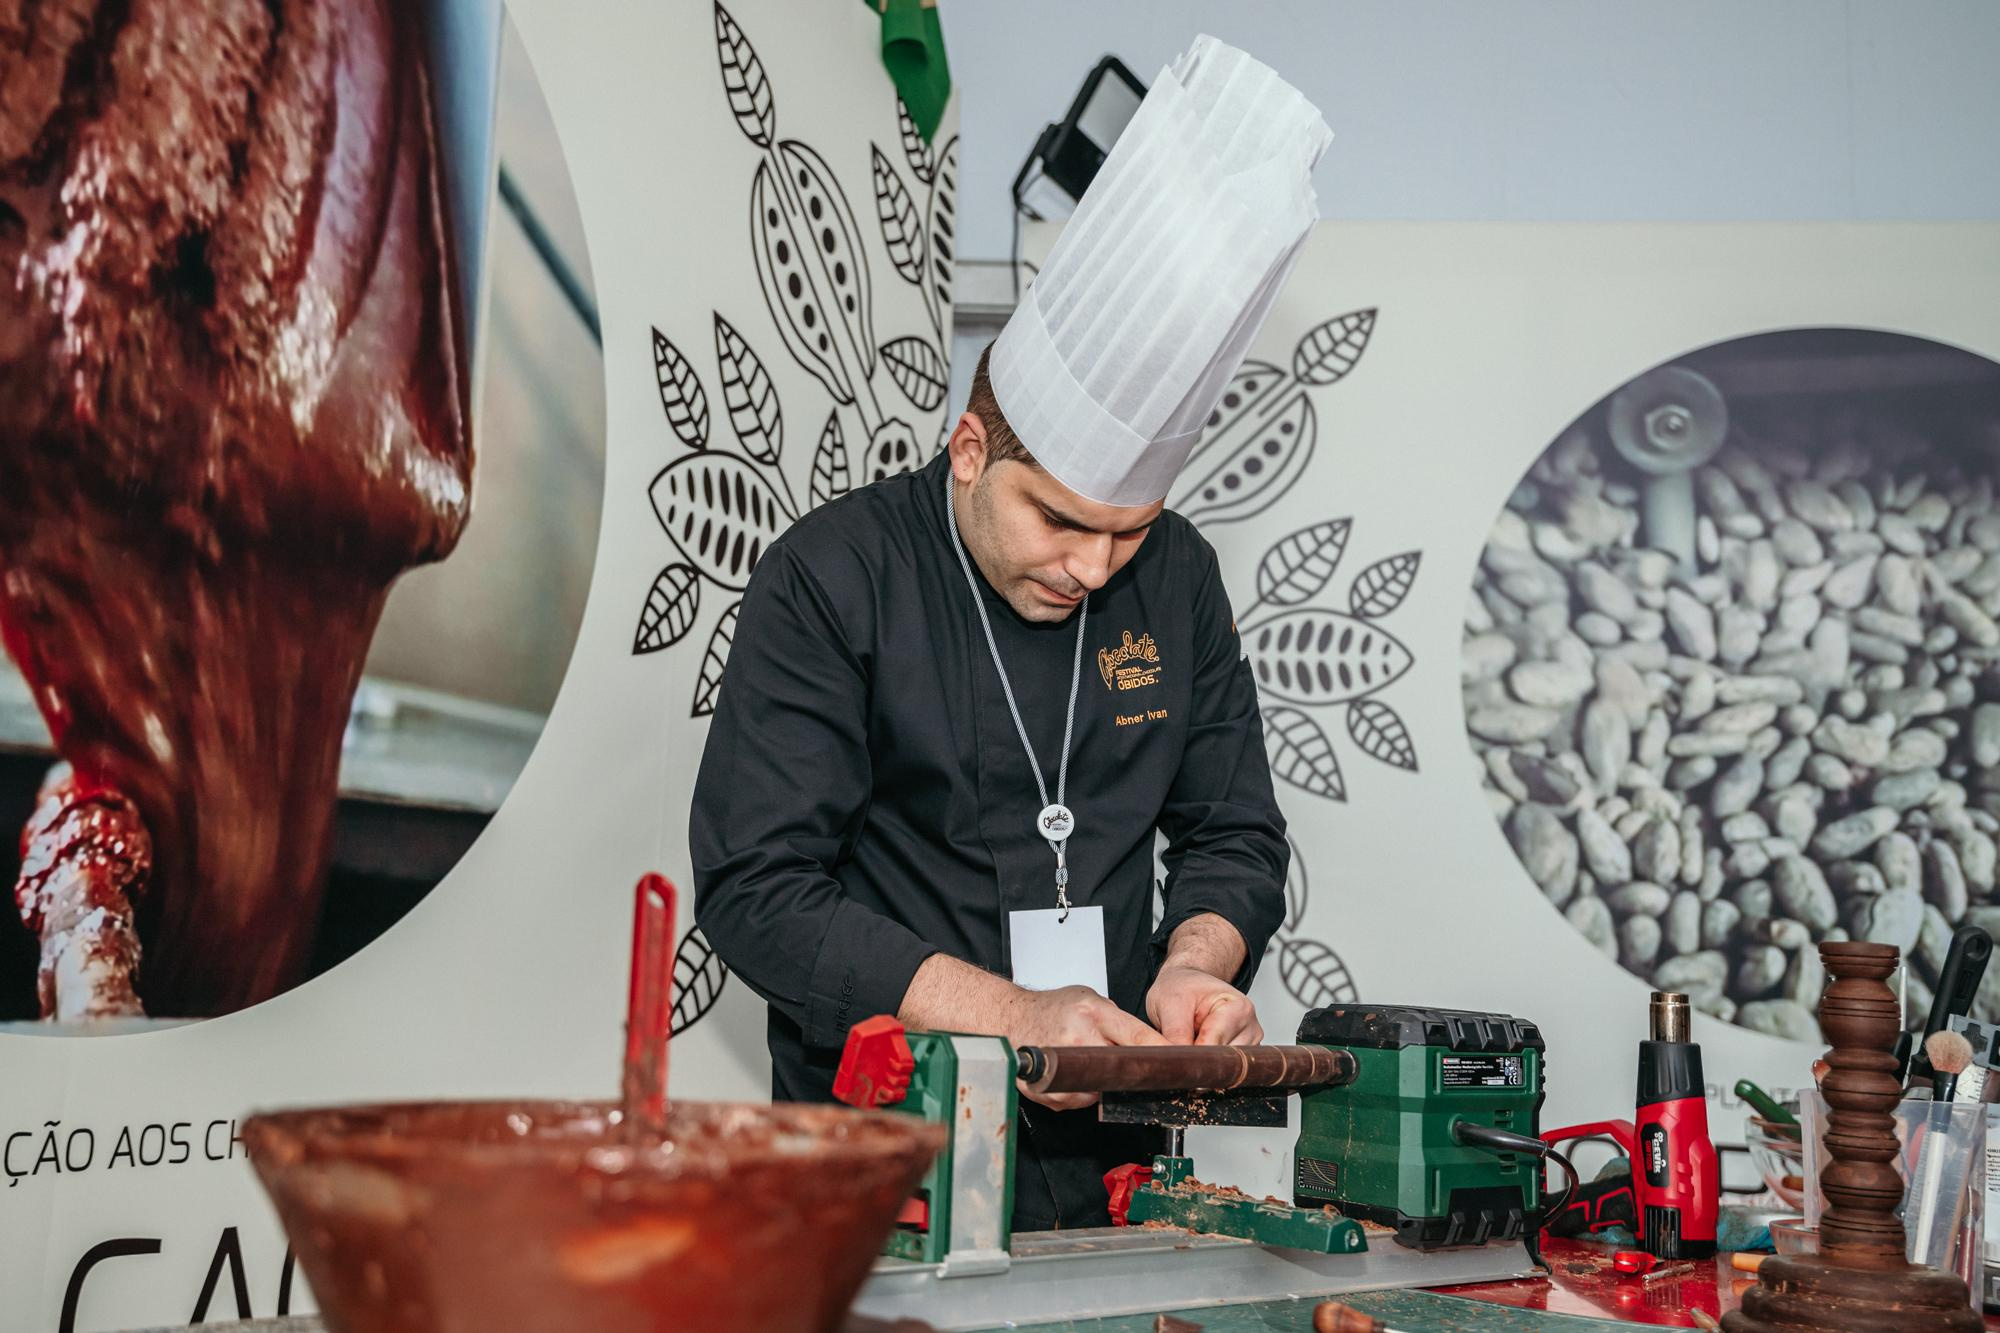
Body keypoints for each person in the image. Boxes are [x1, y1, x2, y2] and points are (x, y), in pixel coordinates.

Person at [691, 34, 1331, 1231]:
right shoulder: (833, 578)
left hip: (1119, 1171)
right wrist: (1013, 1011)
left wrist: (1197, 960)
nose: (1091, 567)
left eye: (1125, 532)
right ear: (970, 450)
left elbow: (1231, 828)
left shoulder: (1179, 579)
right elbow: (759, 889)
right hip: (877, 1166)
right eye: (1059, 520)